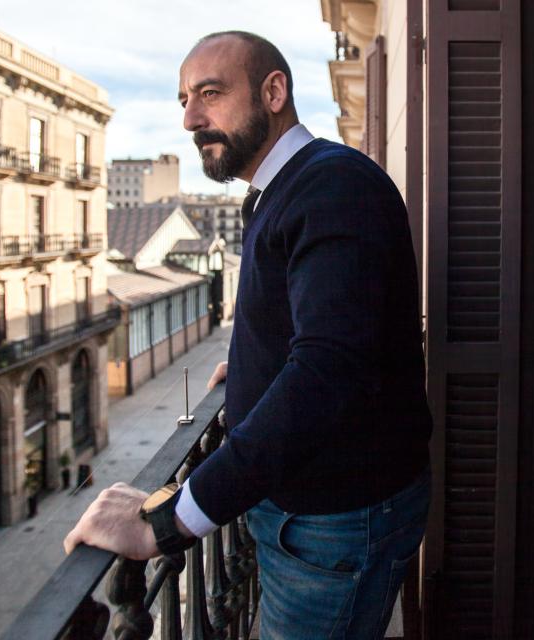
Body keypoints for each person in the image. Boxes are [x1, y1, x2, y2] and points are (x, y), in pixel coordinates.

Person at [65, 31, 433, 639]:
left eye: (210, 93)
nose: (190, 118)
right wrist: (255, 363)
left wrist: (167, 522)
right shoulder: (280, 192)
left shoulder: (332, 186)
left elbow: (330, 368)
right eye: (184, 99)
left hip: (331, 525)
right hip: (313, 516)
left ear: (274, 91)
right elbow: (322, 320)